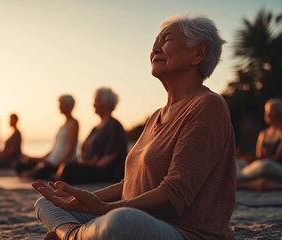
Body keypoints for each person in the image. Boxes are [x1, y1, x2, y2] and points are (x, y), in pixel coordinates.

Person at [33, 15, 235, 240]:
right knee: (47, 205)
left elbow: (175, 192)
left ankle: (70, 235)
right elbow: (129, 184)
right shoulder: (156, 116)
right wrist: (79, 201)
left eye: (166, 40)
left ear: (198, 53)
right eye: (154, 43)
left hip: (184, 232)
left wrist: (103, 209)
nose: (155, 48)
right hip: (132, 215)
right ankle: (77, 234)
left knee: (121, 223)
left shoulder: (208, 106)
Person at [52, 87, 127, 184]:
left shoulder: (114, 125)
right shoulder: (95, 129)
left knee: (67, 169)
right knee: (61, 166)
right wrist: (83, 162)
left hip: (106, 172)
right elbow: (84, 154)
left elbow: (109, 157)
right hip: (92, 167)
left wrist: (91, 164)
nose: (94, 104)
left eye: (98, 100)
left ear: (108, 104)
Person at [15, 95, 79, 179]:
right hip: (51, 160)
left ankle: (33, 173)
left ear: (69, 105)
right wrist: (42, 158)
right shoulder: (62, 126)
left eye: (61, 104)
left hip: (59, 162)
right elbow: (55, 148)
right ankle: (32, 172)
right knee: (20, 164)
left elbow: (71, 148)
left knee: (42, 171)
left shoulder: (74, 123)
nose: (59, 106)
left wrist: (59, 162)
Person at [236, 98, 282, 190]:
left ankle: (238, 179)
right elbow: (258, 157)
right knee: (235, 162)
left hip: (275, 166)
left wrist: (261, 158)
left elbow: (277, 159)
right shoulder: (263, 133)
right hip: (261, 164)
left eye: (272, 111)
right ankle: (255, 183)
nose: (267, 115)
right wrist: (246, 157)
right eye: (266, 111)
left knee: (266, 165)